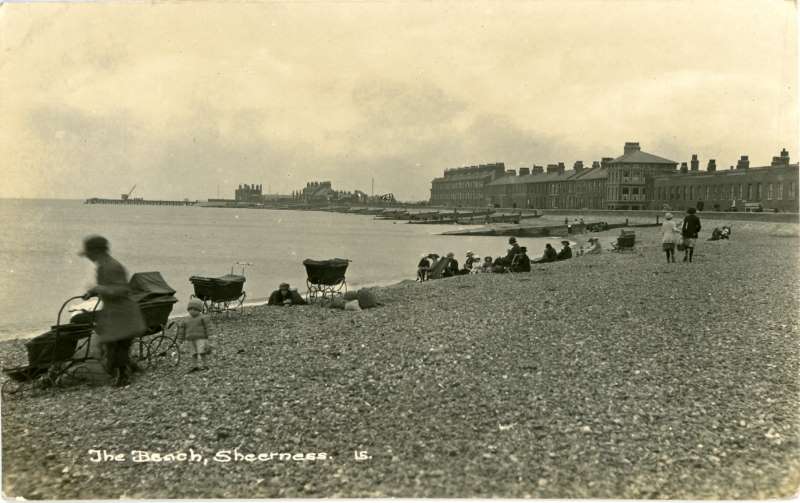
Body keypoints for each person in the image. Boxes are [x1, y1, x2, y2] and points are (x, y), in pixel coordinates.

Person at [79, 235, 145, 387]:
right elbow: (111, 287)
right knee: (114, 344)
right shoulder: (104, 265)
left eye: (88, 252)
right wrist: (93, 293)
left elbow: (122, 289)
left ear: (96, 251)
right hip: (116, 312)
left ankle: (123, 376)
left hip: (123, 313)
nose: (87, 256)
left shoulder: (111, 266)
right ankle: (128, 368)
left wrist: (99, 288)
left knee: (117, 344)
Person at [177, 298, 213, 372]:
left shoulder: (203, 318)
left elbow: (208, 328)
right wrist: (180, 340)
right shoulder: (186, 320)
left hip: (201, 338)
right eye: (190, 309)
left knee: (202, 352)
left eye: (195, 309)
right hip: (190, 339)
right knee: (193, 353)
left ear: (199, 310)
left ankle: (205, 365)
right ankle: (194, 366)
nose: (192, 311)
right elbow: (182, 331)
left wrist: (210, 336)